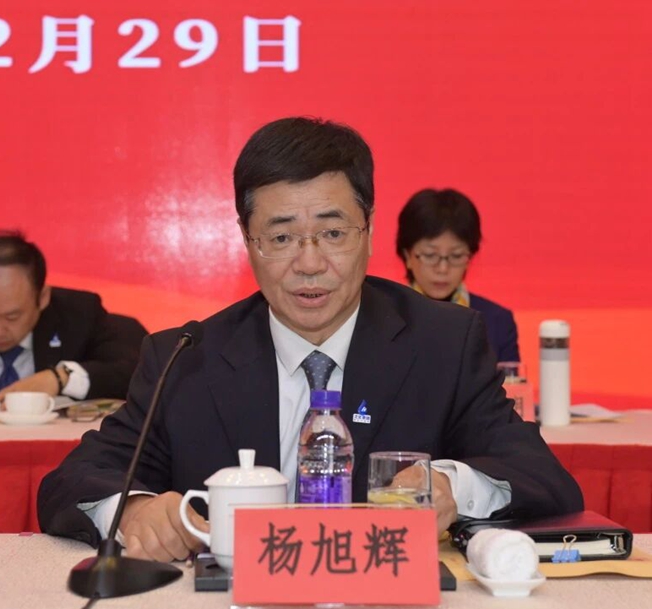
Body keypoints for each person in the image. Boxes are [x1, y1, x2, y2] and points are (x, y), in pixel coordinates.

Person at [38, 117, 582, 562]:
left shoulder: (444, 342)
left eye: (333, 232)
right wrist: (134, 511)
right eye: (281, 237)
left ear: (369, 230)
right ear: (247, 241)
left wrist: (450, 487)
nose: (310, 263)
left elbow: (541, 475)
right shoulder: (187, 358)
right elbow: (73, 481)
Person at [0, 231, 147, 401]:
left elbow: (138, 371)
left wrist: (60, 378)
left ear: (43, 297)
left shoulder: (78, 315)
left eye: (12, 317)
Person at [396, 188, 520, 362]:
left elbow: (511, 379)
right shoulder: (383, 317)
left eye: (456, 256)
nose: (443, 268)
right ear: (408, 256)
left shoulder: (497, 321)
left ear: (470, 257)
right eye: (430, 255)